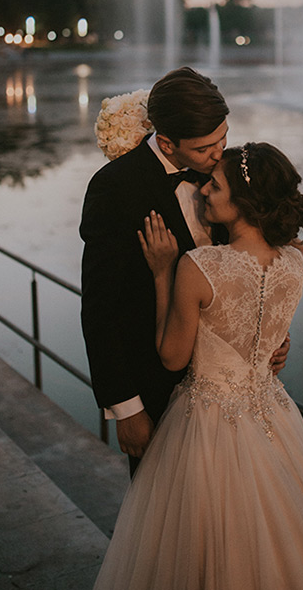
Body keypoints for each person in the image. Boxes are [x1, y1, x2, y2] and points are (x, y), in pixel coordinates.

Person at [92, 142, 303, 590]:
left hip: (204, 425)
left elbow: (171, 356)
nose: (204, 190)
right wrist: (275, 345)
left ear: (244, 203)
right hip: (274, 416)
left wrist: (162, 273)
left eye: (216, 185)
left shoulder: (198, 266)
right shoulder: (300, 259)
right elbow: (266, 326)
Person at [80, 67, 289, 470]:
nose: (219, 154)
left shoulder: (228, 173)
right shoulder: (115, 188)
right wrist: (127, 409)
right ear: (166, 143)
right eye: (205, 148)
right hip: (157, 393)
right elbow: (101, 309)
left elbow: (250, 266)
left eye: (223, 138)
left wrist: (271, 334)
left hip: (236, 397)